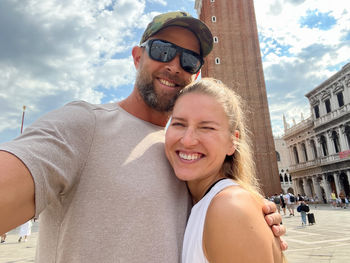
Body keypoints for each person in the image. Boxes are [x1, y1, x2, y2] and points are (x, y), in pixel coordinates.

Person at [0, 11, 286, 262]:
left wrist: (249, 219)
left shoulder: (186, 155)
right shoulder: (84, 125)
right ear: (138, 57)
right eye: (162, 50)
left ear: (195, 74)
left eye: (188, 60)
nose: (174, 65)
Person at [165, 78, 286, 262]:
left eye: (206, 127)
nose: (187, 140)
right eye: (179, 124)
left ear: (232, 141)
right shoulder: (205, 202)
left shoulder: (229, 207)